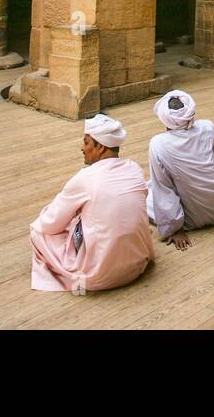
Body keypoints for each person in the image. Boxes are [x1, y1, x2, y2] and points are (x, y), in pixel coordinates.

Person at [29, 114, 155, 292]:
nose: (82, 148)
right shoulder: (134, 169)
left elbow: (50, 223)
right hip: (136, 266)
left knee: (37, 232)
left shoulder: (85, 178)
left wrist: (46, 216)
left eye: (86, 142)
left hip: (100, 275)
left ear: (101, 147)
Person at [146, 89, 214, 251]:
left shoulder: (158, 144)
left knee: (149, 195)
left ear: (164, 118)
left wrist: (175, 229)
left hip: (196, 217)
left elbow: (164, 188)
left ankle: (177, 221)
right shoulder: (207, 127)